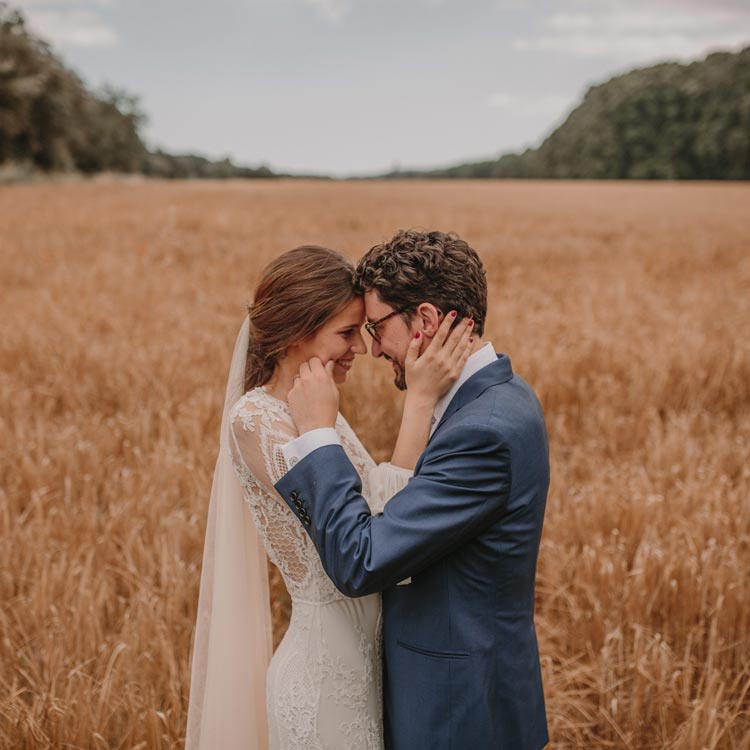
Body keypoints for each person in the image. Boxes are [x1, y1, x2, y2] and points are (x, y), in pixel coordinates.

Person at [185, 244, 473, 750]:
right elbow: (362, 542)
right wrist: (420, 401)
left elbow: (383, 516)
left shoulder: (318, 413)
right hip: (322, 685)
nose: (361, 350)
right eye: (345, 333)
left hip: (366, 672)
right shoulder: (256, 422)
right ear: (299, 332)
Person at [275, 230, 551, 750]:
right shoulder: (499, 397)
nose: (373, 348)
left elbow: (363, 560)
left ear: (424, 321)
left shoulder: (483, 432)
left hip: (457, 718)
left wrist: (316, 436)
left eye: (377, 328)